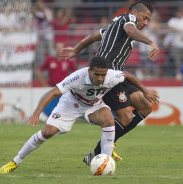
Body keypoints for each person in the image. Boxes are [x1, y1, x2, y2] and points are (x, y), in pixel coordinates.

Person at [0, 56, 159, 174]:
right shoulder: (77, 77)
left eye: (103, 75)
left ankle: (105, 163)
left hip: (93, 105)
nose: (101, 78)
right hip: (71, 104)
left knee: (109, 120)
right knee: (48, 132)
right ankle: (15, 161)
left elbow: (127, 75)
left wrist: (145, 90)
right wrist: (36, 114)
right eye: (97, 75)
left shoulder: (111, 76)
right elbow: (53, 92)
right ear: (90, 71)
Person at [60, 1, 159, 164]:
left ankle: (104, 147)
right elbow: (130, 29)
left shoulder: (116, 27)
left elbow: (95, 35)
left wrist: (76, 49)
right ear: (135, 13)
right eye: (145, 18)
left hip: (119, 73)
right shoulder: (128, 20)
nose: (146, 23)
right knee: (126, 116)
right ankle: (102, 150)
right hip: (107, 74)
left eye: (149, 20)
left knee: (146, 106)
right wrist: (150, 42)